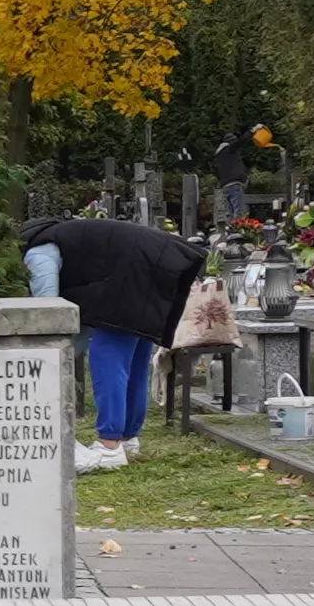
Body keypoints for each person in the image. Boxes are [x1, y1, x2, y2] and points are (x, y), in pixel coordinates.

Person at [23, 195, 203, 468]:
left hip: (133, 274)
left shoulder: (38, 249)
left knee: (107, 355)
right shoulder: (69, 237)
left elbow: (49, 308)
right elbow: (77, 321)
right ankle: (128, 437)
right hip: (158, 263)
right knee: (135, 358)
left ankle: (109, 445)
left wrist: (48, 356)